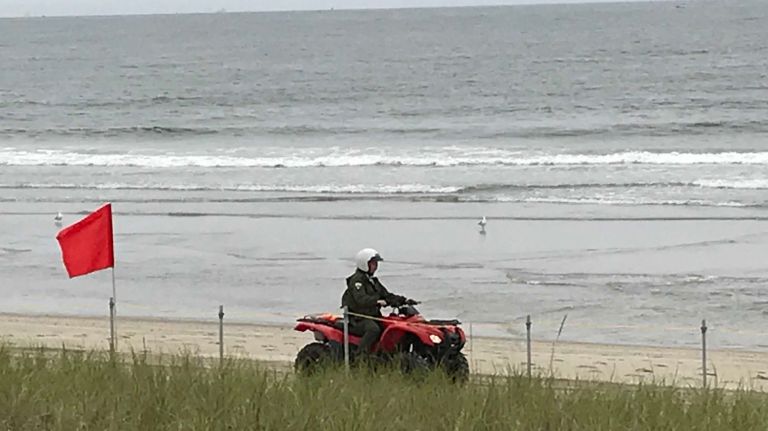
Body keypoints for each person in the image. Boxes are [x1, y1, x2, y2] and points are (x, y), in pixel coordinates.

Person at [341, 248, 407, 357]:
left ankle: (384, 355)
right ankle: (360, 356)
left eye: (376, 263)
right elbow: (361, 299)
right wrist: (377, 302)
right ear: (364, 264)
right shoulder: (357, 281)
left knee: (391, 325)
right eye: (372, 263)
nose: (375, 266)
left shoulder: (373, 281)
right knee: (373, 330)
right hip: (358, 318)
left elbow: (386, 295)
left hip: (372, 316)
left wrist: (402, 300)